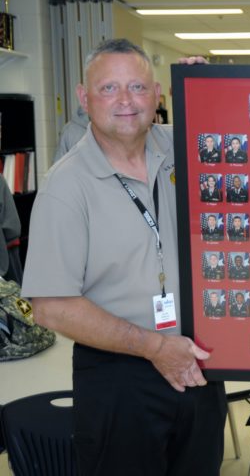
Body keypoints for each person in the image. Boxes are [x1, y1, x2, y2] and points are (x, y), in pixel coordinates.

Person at [24, 40, 227, 475]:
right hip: (120, 375)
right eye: (109, 88)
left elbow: (247, 151)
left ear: (157, 94)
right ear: (84, 98)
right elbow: (51, 307)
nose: (125, 101)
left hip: (196, 362)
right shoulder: (66, 187)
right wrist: (155, 348)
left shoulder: (183, 147)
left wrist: (206, 90)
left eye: (137, 86)